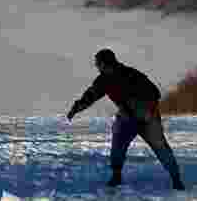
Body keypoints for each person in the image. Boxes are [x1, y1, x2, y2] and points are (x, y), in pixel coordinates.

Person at [67, 48, 185, 191]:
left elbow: (155, 93)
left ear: (105, 63)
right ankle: (116, 176)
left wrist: (143, 108)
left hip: (147, 117)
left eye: (98, 64)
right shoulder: (103, 80)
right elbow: (90, 96)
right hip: (127, 118)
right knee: (118, 144)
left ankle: (176, 178)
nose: (97, 67)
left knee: (160, 147)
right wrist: (76, 108)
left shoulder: (131, 74)